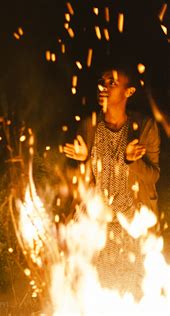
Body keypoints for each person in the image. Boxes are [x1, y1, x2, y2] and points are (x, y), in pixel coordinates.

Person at [64, 62, 160, 297]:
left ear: (129, 91)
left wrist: (131, 161)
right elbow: (81, 183)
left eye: (111, 82)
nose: (103, 86)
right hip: (97, 226)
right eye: (101, 81)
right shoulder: (88, 126)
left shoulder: (144, 126)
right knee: (94, 295)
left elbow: (153, 175)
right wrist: (83, 160)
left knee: (129, 294)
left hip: (131, 226)